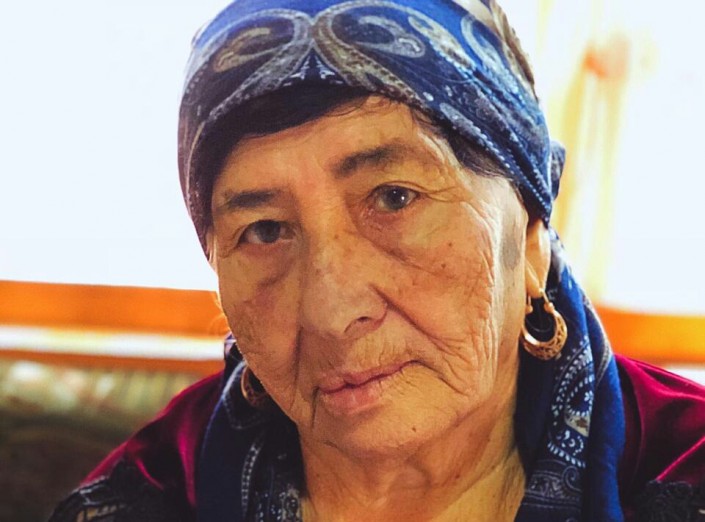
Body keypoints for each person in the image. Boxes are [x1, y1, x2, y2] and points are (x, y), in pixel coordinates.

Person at [50, 1, 705, 521]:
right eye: (265, 230)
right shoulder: (151, 495)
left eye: (394, 198)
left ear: (531, 236)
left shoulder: (685, 473)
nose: (332, 312)